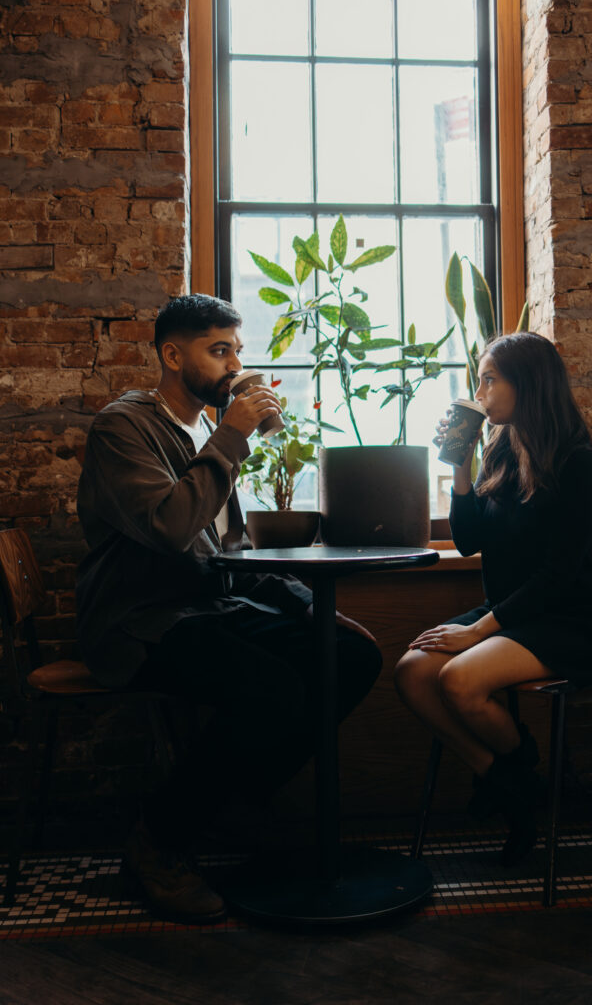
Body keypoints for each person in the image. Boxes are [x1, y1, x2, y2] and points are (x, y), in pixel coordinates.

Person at [76, 293, 382, 923]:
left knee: (349, 654)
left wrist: (308, 609)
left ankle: (235, 804)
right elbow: (169, 528)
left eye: (237, 350)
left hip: (206, 609)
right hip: (138, 623)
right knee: (268, 687)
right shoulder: (123, 428)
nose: (235, 365)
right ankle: (158, 841)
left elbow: (229, 552)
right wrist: (232, 437)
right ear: (171, 354)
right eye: (219, 351)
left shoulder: (203, 432)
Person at [394, 332, 592, 865]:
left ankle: (516, 780)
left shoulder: (575, 462)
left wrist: (476, 632)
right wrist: (460, 465)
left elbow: (559, 575)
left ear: (528, 385)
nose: (480, 390)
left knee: (458, 679)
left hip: (565, 618)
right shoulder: (499, 450)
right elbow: (469, 540)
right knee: (412, 672)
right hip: (511, 615)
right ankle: (509, 778)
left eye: (489, 379)